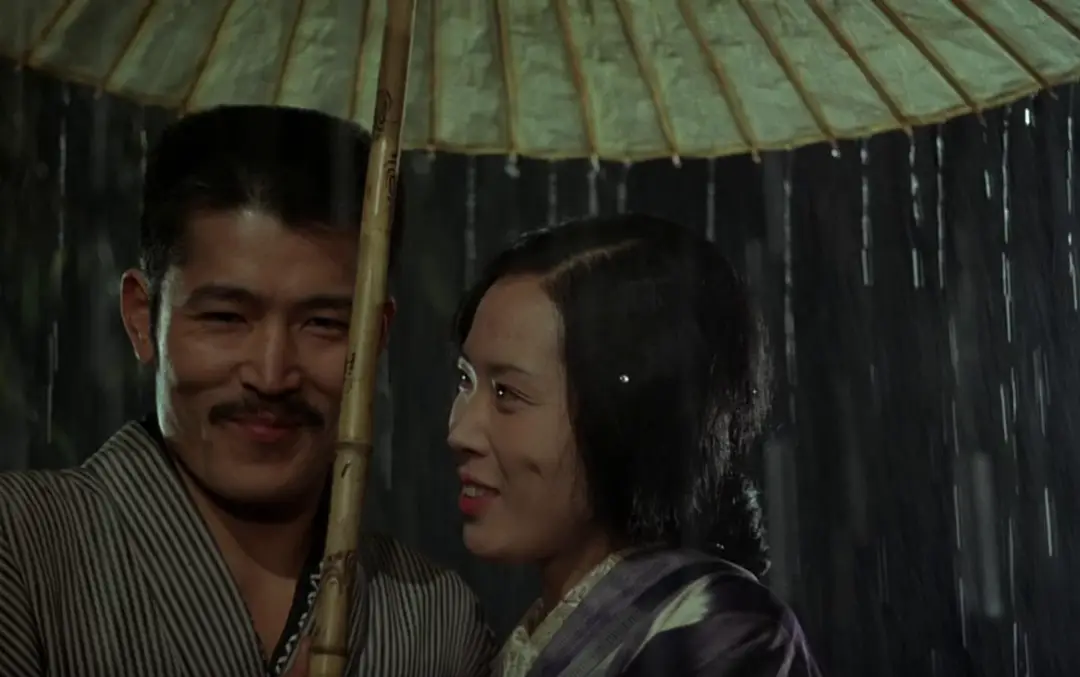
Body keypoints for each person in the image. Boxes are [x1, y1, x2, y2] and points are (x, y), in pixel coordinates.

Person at [0, 105, 495, 677]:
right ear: (142, 317)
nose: (271, 374)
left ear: (377, 335)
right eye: (225, 317)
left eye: (324, 324)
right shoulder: (23, 548)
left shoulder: (435, 622)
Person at [447, 214, 821, 677]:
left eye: (507, 393)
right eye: (465, 381)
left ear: (627, 415)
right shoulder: (519, 644)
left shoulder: (720, 635)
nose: (460, 431)